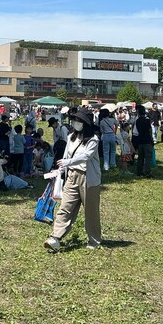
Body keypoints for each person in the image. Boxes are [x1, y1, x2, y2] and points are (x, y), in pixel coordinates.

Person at [44, 107, 102, 252]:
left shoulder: (93, 140)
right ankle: (55, 237)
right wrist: (60, 170)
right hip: (71, 176)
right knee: (65, 207)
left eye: (79, 120)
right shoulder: (71, 137)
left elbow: (86, 156)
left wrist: (67, 162)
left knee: (91, 211)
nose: (76, 122)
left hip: (88, 179)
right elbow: (66, 156)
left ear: (86, 123)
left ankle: (94, 240)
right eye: (75, 119)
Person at [134, 105, 153, 177]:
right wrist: (151, 138)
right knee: (148, 157)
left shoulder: (137, 121)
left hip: (140, 140)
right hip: (147, 140)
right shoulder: (147, 120)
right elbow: (150, 130)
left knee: (140, 157)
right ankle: (147, 172)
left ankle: (139, 171)